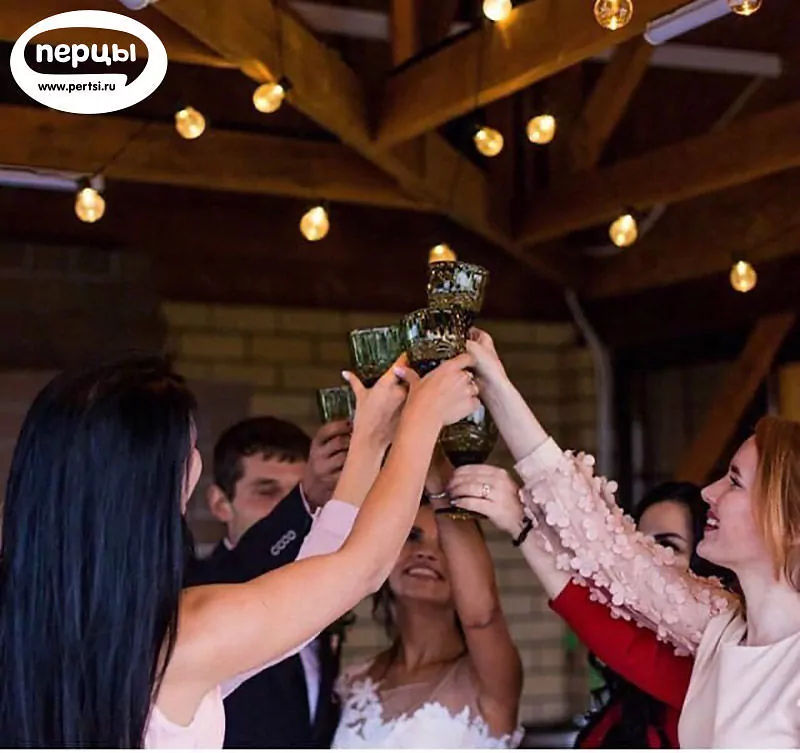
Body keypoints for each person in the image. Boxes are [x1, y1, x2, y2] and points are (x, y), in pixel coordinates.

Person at [0, 351, 480, 747]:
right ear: (156, 479)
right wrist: (422, 420)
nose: (195, 460)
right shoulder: (182, 635)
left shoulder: (31, 626)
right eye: (190, 447)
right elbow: (363, 569)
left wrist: (369, 446)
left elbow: (316, 586)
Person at [455, 327, 800, 748]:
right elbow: (603, 541)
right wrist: (496, 385)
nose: (709, 492)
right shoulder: (720, 628)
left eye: (735, 481)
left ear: (789, 522)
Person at [450, 468, 726, 748]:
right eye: (638, 545)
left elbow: (584, 609)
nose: (645, 560)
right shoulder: (624, 698)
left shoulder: (707, 677)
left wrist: (521, 521)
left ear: (707, 571)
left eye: (667, 545)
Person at [333, 447, 523, 749]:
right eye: (412, 537)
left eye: (444, 544)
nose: (425, 552)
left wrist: (438, 480)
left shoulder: (488, 680)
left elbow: (482, 616)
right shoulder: (352, 681)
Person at [188, 416, 352, 748]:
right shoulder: (200, 589)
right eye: (267, 491)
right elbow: (247, 566)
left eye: (293, 492)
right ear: (220, 504)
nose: (283, 507)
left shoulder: (316, 586)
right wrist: (305, 499)